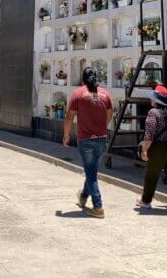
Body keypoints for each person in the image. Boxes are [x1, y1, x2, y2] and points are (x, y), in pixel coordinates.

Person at [63, 67, 112, 219]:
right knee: (92, 171)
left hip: (85, 140)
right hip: (102, 139)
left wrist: (66, 135)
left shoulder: (78, 94)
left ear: (82, 79)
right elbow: (109, 115)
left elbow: (69, 117)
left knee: (91, 173)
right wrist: (101, 127)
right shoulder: (105, 94)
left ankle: (98, 207)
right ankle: (83, 197)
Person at [136, 85, 167, 216]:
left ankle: (145, 201)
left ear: (156, 101)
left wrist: (144, 150)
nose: (151, 100)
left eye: (152, 98)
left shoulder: (153, 113)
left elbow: (149, 135)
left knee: (151, 175)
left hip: (159, 148)